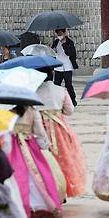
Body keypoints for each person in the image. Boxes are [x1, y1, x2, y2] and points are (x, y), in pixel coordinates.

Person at [8, 105, 63, 218]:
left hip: (11, 148)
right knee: (35, 179)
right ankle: (33, 211)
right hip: (29, 147)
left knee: (16, 180)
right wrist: (45, 146)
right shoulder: (32, 110)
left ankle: (19, 212)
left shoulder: (5, 111)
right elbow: (40, 132)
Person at [36, 67, 87, 197]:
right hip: (59, 129)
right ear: (52, 74)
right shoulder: (60, 90)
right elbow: (70, 111)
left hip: (40, 128)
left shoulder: (33, 91)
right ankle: (62, 191)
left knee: (43, 160)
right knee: (62, 159)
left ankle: (46, 189)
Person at [51, 28, 78, 106]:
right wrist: (53, 50)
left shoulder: (70, 42)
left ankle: (72, 100)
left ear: (64, 33)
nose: (59, 35)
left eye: (61, 33)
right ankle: (57, 100)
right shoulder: (55, 42)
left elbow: (70, 53)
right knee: (56, 84)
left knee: (68, 85)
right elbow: (52, 53)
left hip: (67, 66)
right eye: (58, 34)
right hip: (58, 66)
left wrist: (64, 44)